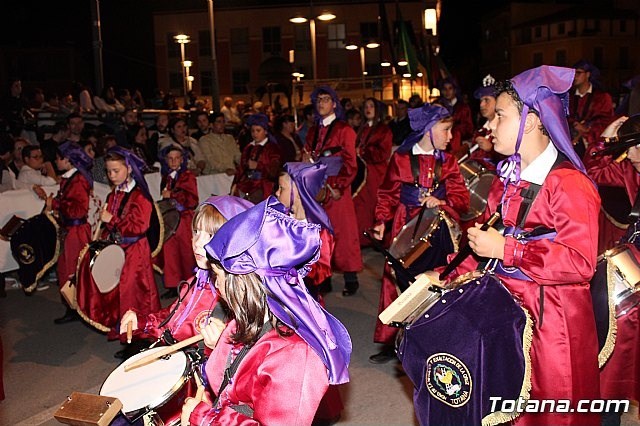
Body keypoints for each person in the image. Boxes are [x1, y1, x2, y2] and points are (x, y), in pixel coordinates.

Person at [442, 66, 601, 425]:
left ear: (530, 121)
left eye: (500, 116)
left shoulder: (569, 184)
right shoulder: (508, 181)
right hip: (511, 318)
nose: (490, 126)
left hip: (553, 327)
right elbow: (486, 247)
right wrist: (445, 276)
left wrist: (508, 250)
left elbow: (579, 262)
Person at [181, 196, 351, 425]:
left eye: (218, 276)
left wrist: (202, 417)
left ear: (241, 282)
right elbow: (232, 386)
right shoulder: (241, 323)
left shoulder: (293, 354)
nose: (217, 286)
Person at [369, 103, 469, 363]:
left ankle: (438, 340)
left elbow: (462, 200)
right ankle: (398, 342)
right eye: (446, 130)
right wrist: (381, 220)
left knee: (435, 283)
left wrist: (442, 202)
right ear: (428, 130)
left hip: (438, 231)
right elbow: (388, 193)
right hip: (406, 226)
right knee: (400, 283)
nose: (450, 137)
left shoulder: (449, 162)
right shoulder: (401, 159)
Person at [118, 196, 252, 354]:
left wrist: (222, 348)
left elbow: (250, 360)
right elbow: (174, 319)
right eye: (196, 232)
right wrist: (143, 322)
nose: (197, 242)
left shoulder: (239, 298)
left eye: (210, 235)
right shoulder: (198, 281)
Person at [275, 162, 345, 424]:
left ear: (297, 192)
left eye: (282, 188)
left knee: (311, 363)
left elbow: (320, 271)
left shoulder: (317, 230)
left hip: (306, 306)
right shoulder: (281, 220)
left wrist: (284, 266)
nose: (276, 193)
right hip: (281, 305)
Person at [585, 114, 640, 426]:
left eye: (634, 147)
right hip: (631, 266)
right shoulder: (630, 170)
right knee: (615, 345)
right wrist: (604, 139)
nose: (629, 155)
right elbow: (593, 170)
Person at [75, 147, 161, 344]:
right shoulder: (114, 193)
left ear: (129, 169)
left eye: (116, 171)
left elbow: (139, 226)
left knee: (135, 293)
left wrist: (111, 220)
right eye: (109, 171)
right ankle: (124, 330)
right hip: (119, 249)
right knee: (118, 291)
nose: (111, 176)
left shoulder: (140, 196)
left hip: (135, 251)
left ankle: (139, 337)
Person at [304, 86, 362, 296]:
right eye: (318, 100)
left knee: (343, 233)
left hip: (338, 189)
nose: (321, 103)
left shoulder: (345, 130)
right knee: (319, 235)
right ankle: (323, 278)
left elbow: (351, 164)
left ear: (334, 103)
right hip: (317, 190)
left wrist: (338, 185)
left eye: (326, 99)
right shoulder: (312, 131)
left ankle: (351, 278)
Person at [34, 142, 92, 324]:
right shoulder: (69, 179)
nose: (56, 162)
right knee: (66, 270)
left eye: (59, 158)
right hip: (69, 230)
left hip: (76, 232)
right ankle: (73, 306)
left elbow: (79, 210)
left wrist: (57, 204)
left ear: (68, 160)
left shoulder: (78, 180)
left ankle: (80, 307)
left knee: (73, 271)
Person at [157, 146, 198, 299]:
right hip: (171, 219)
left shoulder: (188, 176)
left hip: (184, 218)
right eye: (170, 158)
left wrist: (172, 195)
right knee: (170, 251)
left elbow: (193, 199)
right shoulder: (166, 177)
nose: (173, 161)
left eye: (177, 158)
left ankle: (190, 282)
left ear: (182, 159)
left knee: (185, 252)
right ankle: (173, 284)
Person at [353, 97, 392, 247]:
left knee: (375, 205)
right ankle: (364, 238)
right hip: (362, 173)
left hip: (376, 173)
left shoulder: (384, 129)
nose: (368, 109)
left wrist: (362, 151)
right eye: (366, 106)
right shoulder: (362, 129)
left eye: (371, 106)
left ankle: (378, 239)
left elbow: (383, 152)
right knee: (362, 206)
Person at [231, 113, 281, 203]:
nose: (255, 134)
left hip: (264, 188)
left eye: (258, 131)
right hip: (246, 186)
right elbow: (241, 170)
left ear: (265, 131)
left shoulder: (272, 148)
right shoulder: (248, 148)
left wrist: (258, 166)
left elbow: (274, 172)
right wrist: (234, 184)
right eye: (252, 131)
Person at [569, 59, 614, 158]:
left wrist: (587, 128)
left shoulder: (602, 97)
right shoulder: (568, 98)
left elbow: (606, 121)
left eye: (578, 73)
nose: (574, 76)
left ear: (588, 74)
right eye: (573, 73)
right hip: (572, 145)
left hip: (594, 147)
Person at [437, 76, 475, 155]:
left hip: (458, 145)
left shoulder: (463, 107)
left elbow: (469, 128)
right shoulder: (439, 107)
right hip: (441, 145)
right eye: (444, 89)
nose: (447, 92)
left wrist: (454, 127)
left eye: (450, 88)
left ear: (455, 90)